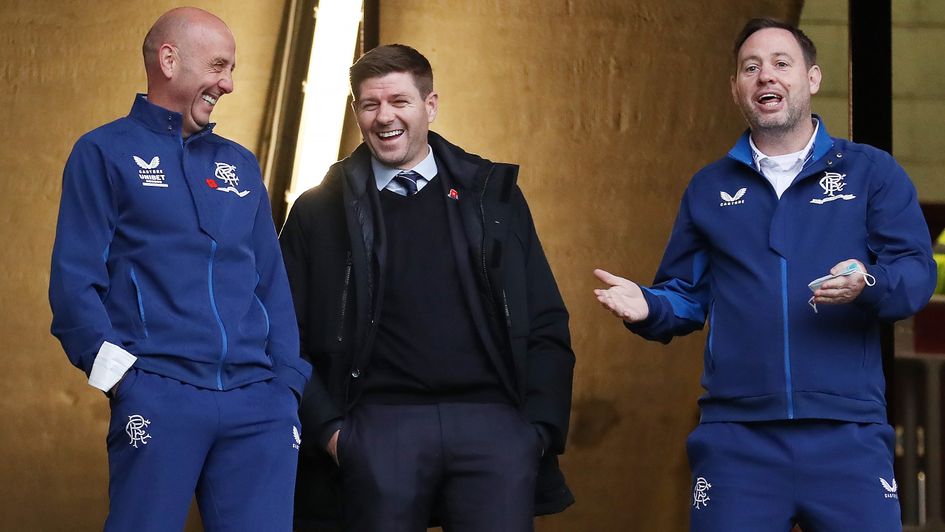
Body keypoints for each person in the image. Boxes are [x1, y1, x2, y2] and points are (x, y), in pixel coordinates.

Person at [594, 17, 936, 532]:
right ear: (736, 89)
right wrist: (651, 306)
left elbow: (915, 272)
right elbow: (685, 294)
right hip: (736, 438)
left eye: (781, 63)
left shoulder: (871, 172)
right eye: (750, 68)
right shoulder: (708, 188)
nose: (765, 77)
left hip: (848, 433)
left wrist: (869, 283)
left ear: (812, 79)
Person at [280, 44, 575, 532]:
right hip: (376, 425)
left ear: (430, 105)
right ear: (356, 112)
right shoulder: (319, 210)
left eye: (399, 101)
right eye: (370, 104)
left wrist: (536, 430)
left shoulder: (491, 196)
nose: (384, 117)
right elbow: (285, 332)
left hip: (493, 425)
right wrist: (333, 433)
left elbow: (544, 315)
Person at [48, 8, 311, 531]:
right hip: (159, 392)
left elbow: (271, 282)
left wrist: (286, 384)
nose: (229, 84)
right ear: (169, 60)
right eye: (218, 66)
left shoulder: (239, 163)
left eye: (232, 69)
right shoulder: (102, 151)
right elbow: (74, 282)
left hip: (258, 402)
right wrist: (126, 382)